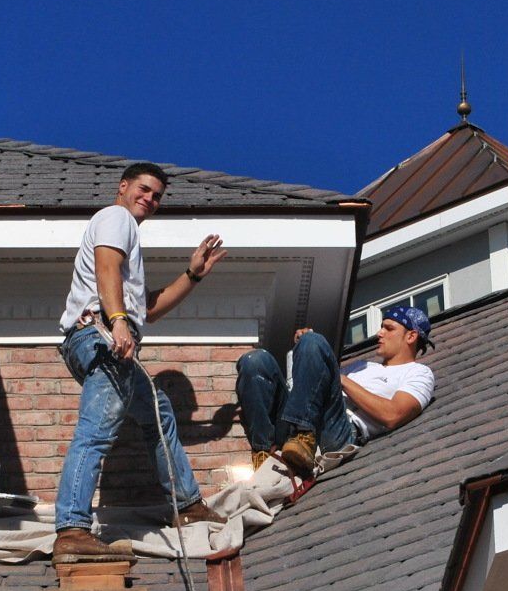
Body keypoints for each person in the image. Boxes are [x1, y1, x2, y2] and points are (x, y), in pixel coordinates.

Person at [52, 162, 229, 561]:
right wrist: (117, 323)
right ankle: (71, 530)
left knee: (159, 415)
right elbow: (106, 268)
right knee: (96, 431)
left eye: (157, 196)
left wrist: (193, 274)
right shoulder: (116, 218)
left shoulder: (125, 232)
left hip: (103, 336)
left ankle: (187, 506)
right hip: (99, 335)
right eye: (144, 189)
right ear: (123, 186)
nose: (150, 199)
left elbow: (148, 308)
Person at [235, 305, 437, 476]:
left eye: (389, 328)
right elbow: (310, 389)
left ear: (411, 336)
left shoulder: (418, 373)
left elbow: (393, 414)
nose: (379, 333)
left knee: (314, 342)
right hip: (304, 419)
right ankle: (263, 453)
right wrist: (304, 351)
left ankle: (304, 436)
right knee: (255, 361)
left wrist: (340, 379)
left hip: (340, 431)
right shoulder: (361, 365)